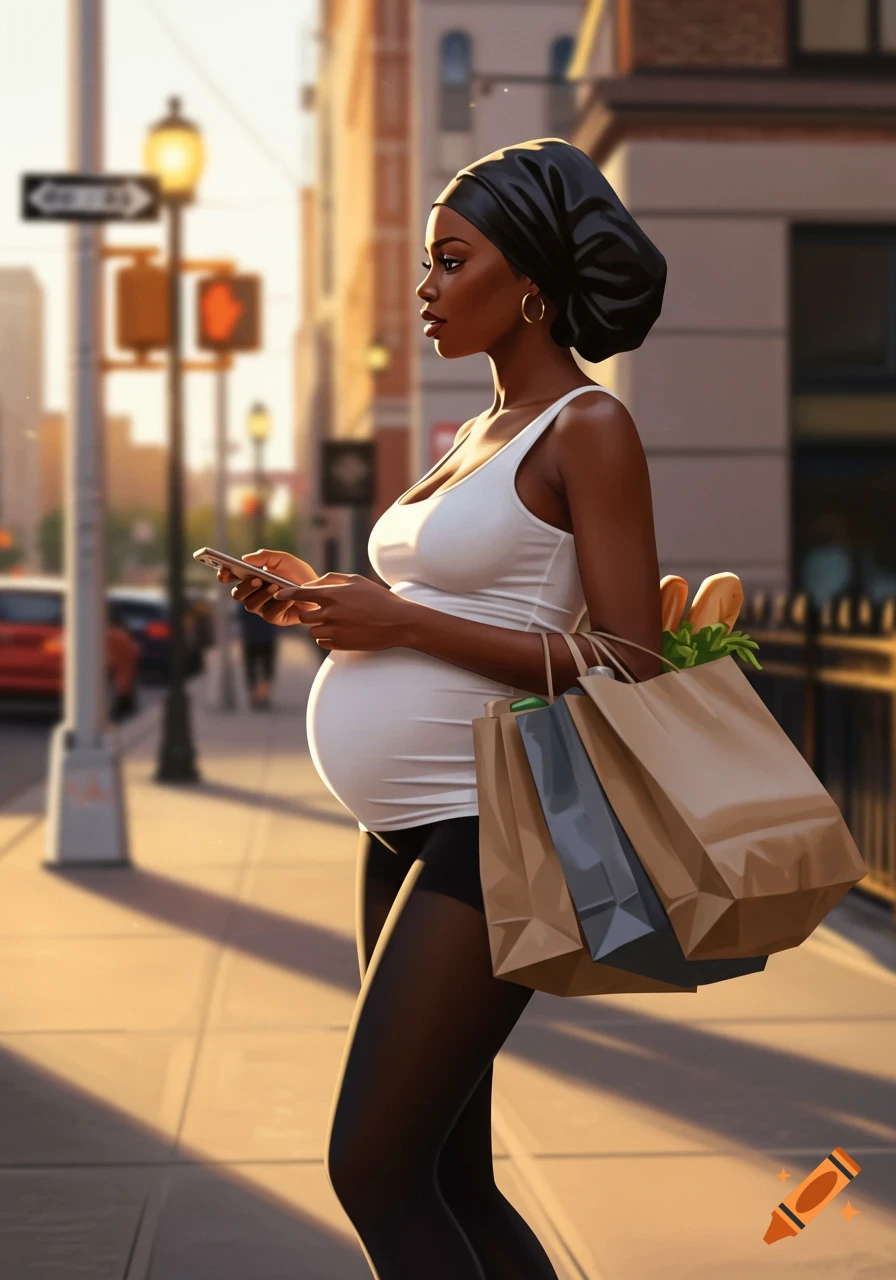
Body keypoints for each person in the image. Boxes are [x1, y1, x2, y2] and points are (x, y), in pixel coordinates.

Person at [217, 139, 667, 1279]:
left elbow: (630, 660)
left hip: (501, 825)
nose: (424, 287)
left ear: (530, 281)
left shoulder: (588, 426)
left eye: (451, 260)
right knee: (447, 1175)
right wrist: (324, 601)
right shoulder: (474, 433)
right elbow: (438, 602)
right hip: (409, 828)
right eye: (427, 261)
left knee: (373, 1166)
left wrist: (403, 625)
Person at [237, 596, 278, 708]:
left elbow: (239, 616)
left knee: (252, 670)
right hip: (267, 638)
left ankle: (255, 697)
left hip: (250, 638)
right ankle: (263, 696)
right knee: (266, 669)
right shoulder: (270, 600)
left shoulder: (246, 600)